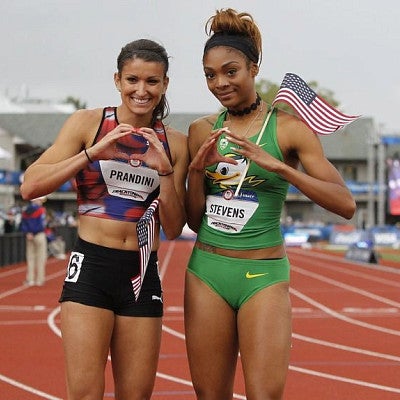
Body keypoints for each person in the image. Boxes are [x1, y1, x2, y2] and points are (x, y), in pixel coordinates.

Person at [184, 8, 356, 400]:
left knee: (265, 395)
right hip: (207, 271)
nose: (220, 83)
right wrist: (196, 172)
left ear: (253, 68)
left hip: (263, 275)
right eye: (210, 75)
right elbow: (194, 221)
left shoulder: (290, 128)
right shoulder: (201, 131)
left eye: (231, 71)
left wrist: (278, 166)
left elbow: (345, 204)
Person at [20, 39, 188, 400]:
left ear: (165, 85)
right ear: (117, 80)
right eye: (132, 80)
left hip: (142, 272)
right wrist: (91, 153)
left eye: (152, 82)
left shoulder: (175, 141)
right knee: (84, 393)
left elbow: (174, 228)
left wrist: (167, 173)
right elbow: (30, 185)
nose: (141, 91)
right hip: (92, 267)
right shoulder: (89, 123)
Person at [20, 196, 48, 286]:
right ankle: (39, 279)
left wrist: (28, 232)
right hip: (39, 235)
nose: (41, 202)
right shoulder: (41, 210)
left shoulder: (25, 210)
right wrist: (34, 232)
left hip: (29, 236)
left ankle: (30, 279)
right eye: (40, 200)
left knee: (30, 258)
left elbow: (23, 223)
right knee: (41, 257)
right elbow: (41, 224)